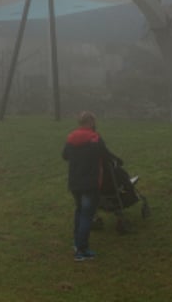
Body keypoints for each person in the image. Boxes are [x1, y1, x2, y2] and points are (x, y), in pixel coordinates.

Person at [62, 110, 120, 261]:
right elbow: (106, 155)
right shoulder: (95, 138)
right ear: (91, 122)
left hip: (74, 182)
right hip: (90, 182)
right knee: (87, 215)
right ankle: (81, 251)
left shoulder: (71, 137)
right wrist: (118, 160)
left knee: (79, 212)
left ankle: (77, 243)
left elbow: (65, 155)